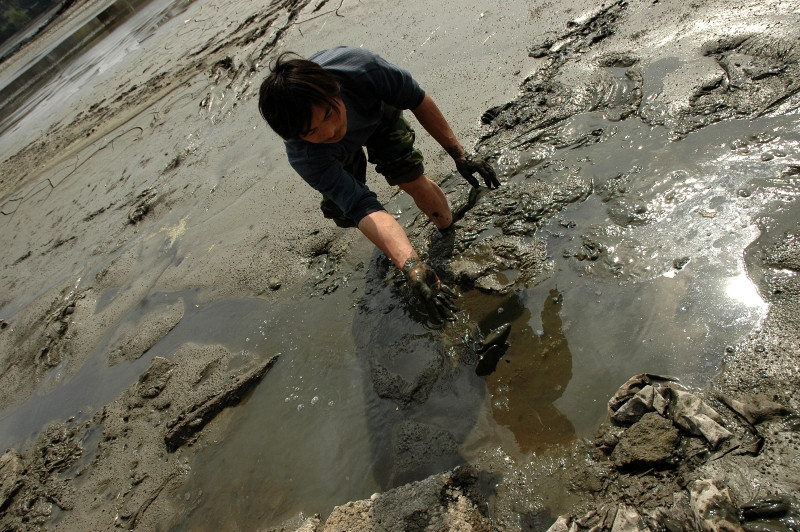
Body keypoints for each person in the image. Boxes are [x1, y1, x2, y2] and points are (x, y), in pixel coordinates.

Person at [257, 46, 499, 322]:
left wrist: (460, 154)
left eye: (328, 114)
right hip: (332, 157)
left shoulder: (362, 69)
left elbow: (416, 99)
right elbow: (363, 206)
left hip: (376, 115)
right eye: (312, 131)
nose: (330, 131)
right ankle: (397, 247)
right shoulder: (305, 154)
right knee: (345, 212)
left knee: (410, 178)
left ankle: (447, 228)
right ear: (296, 136)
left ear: (335, 90)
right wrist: (412, 267)